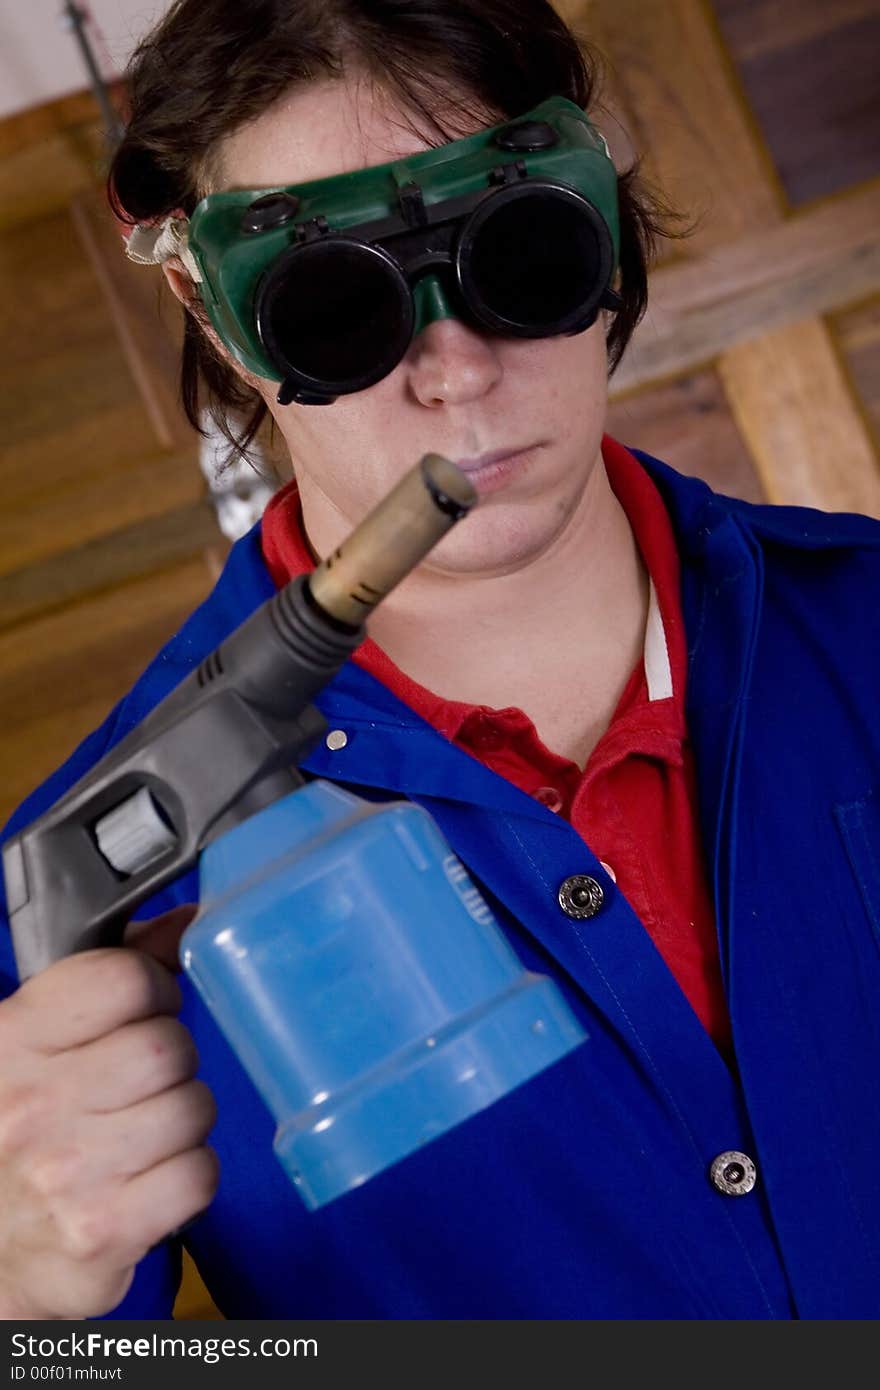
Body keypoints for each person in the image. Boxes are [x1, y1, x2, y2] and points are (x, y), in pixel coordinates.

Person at [1, 0, 879, 1321]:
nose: (456, 372)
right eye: (335, 303)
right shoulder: (79, 909)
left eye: (519, 252)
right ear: (217, 311)